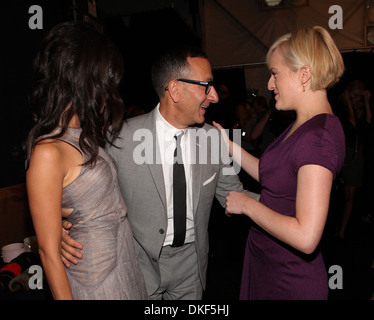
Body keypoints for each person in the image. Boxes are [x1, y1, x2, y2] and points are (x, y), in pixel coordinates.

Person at [61, 45, 259, 300]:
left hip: (191, 264)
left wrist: (291, 212)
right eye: (206, 85)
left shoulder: (212, 139)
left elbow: (236, 195)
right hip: (136, 263)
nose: (215, 97)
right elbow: (71, 176)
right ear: (175, 89)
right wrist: (57, 227)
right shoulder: (120, 137)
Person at [214, 26, 346, 299]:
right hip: (270, 265)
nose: (269, 85)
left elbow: (306, 238)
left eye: (275, 74)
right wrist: (228, 146)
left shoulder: (317, 137)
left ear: (304, 75)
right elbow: (273, 176)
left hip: (288, 280)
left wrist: (247, 204)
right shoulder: (304, 124)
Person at [25, 21, 148, 300]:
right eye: (104, 79)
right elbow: (48, 252)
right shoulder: (48, 151)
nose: (108, 89)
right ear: (81, 77)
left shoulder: (86, 135)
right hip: (95, 280)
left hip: (123, 262)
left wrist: (65, 223)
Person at [337, 80, 372, 238]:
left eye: (360, 96)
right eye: (356, 96)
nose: (358, 99)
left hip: (358, 156)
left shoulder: (362, 111)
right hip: (346, 154)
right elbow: (351, 125)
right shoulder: (343, 110)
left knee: (351, 194)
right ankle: (342, 226)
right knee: (346, 195)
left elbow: (368, 125)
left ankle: (342, 230)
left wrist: (367, 102)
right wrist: (349, 102)